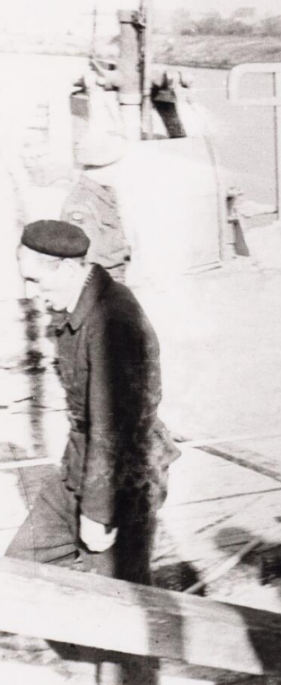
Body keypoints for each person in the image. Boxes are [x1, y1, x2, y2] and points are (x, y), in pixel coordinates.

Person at [6, 220, 179, 683]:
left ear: (64, 267)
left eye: (37, 280)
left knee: (121, 610)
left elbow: (115, 426)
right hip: (82, 466)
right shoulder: (77, 305)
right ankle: (89, 666)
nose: (33, 293)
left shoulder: (111, 320)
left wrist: (99, 512)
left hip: (124, 480)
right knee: (21, 572)